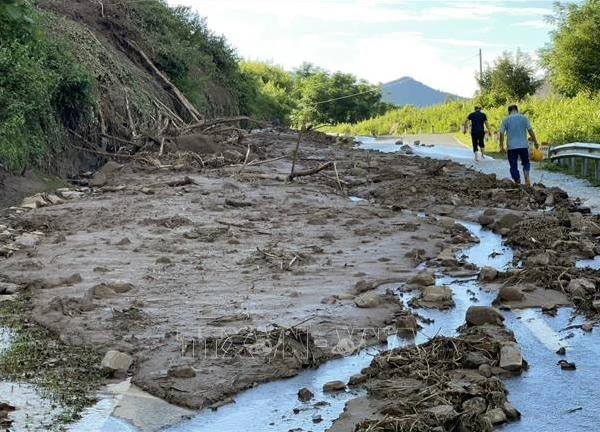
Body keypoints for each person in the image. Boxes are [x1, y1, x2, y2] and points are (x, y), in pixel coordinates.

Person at [499, 104, 539, 187]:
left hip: (511, 147)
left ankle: (517, 180)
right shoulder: (524, 118)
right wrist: (535, 142)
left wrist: (501, 146)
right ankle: (527, 177)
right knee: (526, 162)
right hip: (523, 146)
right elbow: (530, 131)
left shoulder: (505, 120)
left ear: (509, 111)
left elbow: (501, 134)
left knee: (513, 165)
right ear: (517, 110)